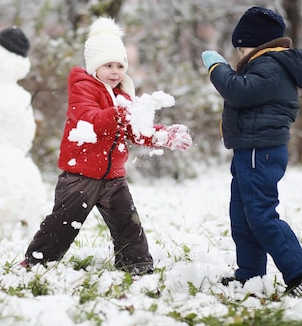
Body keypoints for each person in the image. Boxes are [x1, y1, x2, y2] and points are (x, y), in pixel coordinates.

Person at [22, 17, 192, 275]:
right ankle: (37, 261)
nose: (115, 71)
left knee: (128, 223)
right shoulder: (83, 87)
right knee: (63, 222)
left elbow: (136, 130)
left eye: (120, 66)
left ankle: (136, 265)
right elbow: (88, 119)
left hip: (112, 177)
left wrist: (164, 136)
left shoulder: (122, 95)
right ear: (94, 67)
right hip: (80, 175)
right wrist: (118, 113)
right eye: (108, 65)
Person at [201, 6, 302, 296]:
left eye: (241, 49)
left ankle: (301, 274)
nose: (239, 56)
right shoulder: (267, 64)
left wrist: (217, 68)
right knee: (242, 214)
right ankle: (250, 275)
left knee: (260, 214)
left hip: (261, 151)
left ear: (257, 44)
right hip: (250, 150)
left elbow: (239, 91)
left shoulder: (270, 65)